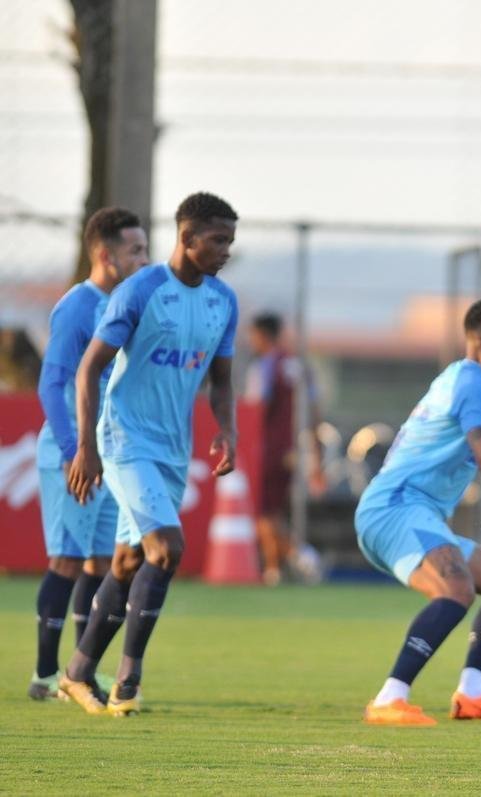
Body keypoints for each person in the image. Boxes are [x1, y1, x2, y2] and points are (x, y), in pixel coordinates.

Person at [59, 192, 240, 716]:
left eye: (230, 240)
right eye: (218, 240)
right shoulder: (141, 291)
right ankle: (129, 679)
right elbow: (89, 368)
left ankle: (76, 672)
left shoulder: (222, 300)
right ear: (186, 238)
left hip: (173, 447)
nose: (226, 250)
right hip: (124, 437)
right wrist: (87, 447)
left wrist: (226, 428)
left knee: (130, 559)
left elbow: (222, 380)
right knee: (167, 550)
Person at [355, 298, 481, 727]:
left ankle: (472, 692)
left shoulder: (462, 379)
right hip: (396, 509)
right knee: (456, 589)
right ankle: (389, 697)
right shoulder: (474, 385)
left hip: (412, 512)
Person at [30, 207, 148, 701]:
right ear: (105, 254)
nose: (144, 258)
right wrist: (70, 448)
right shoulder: (80, 306)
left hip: (107, 452)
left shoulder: (127, 303)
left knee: (102, 562)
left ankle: (80, 672)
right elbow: (52, 382)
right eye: (134, 250)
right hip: (74, 452)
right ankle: (43, 674)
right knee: (66, 560)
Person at [244, 312, 326, 586]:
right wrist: (315, 453)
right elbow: (314, 410)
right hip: (293, 449)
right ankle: (274, 570)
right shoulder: (300, 366)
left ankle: (296, 556)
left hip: (268, 448)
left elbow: (257, 408)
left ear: (263, 335)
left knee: (262, 510)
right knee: (273, 512)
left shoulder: (265, 367)